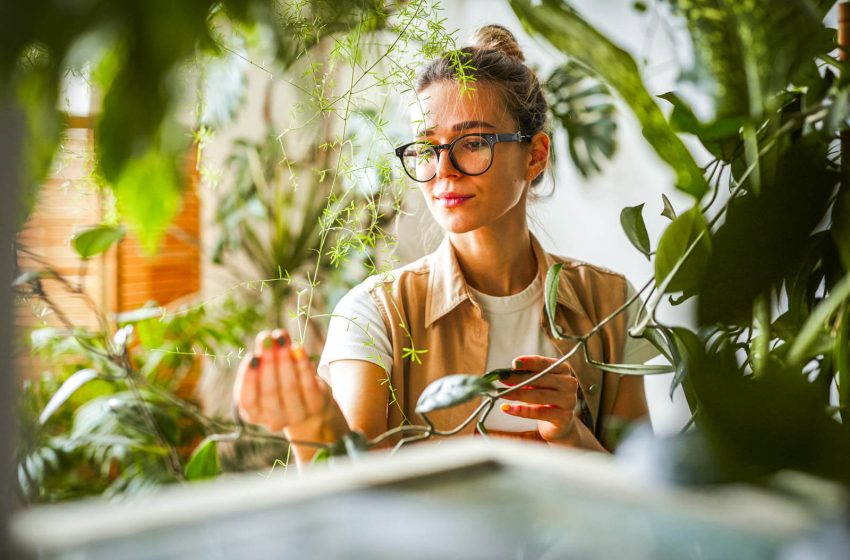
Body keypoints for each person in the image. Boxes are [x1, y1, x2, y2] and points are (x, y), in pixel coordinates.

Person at [233, 25, 657, 467]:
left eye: (473, 143)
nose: (444, 170)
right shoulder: (375, 314)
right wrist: (312, 421)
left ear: (534, 155)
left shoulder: (610, 304)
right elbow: (355, 490)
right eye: (427, 148)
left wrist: (570, 436)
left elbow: (649, 494)